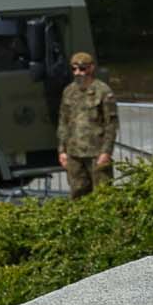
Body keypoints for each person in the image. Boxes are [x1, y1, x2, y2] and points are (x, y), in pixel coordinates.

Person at [56, 52, 116, 198]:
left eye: (82, 69)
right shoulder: (69, 91)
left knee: (103, 195)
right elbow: (63, 122)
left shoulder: (103, 91)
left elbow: (111, 124)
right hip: (74, 153)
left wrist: (106, 152)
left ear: (91, 68)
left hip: (96, 152)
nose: (78, 73)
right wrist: (62, 150)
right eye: (74, 69)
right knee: (77, 194)